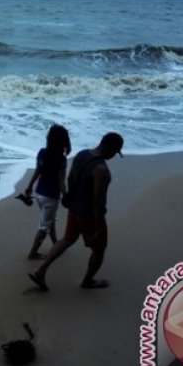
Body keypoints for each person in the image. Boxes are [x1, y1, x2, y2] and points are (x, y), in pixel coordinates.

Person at [28, 132, 124, 291]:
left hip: (74, 210)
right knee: (99, 249)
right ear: (111, 147)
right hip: (89, 216)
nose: (114, 155)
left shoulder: (82, 155)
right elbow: (98, 202)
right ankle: (88, 281)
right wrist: (99, 227)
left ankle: (40, 271)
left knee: (67, 239)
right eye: (116, 152)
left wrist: (70, 198)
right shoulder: (102, 170)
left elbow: (70, 178)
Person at [20, 124, 71, 260]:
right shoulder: (61, 159)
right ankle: (33, 253)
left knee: (49, 220)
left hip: (39, 193)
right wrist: (66, 195)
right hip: (51, 196)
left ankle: (55, 244)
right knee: (44, 227)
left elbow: (38, 171)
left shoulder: (42, 153)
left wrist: (29, 186)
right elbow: (61, 181)